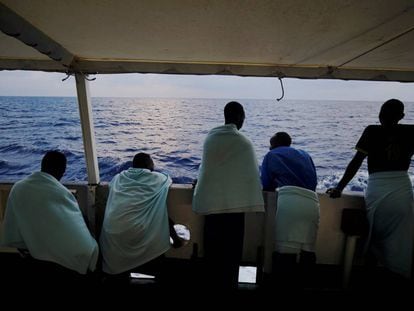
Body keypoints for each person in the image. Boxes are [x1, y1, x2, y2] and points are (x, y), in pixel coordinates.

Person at [327, 99, 414, 279]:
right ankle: (397, 275)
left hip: (378, 189)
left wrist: (339, 188)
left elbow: (356, 161)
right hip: (402, 189)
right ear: (402, 116)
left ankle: (370, 279)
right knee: (401, 238)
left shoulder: (372, 131)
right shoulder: (411, 131)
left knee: (374, 234)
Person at [192, 101, 264, 289]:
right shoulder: (244, 142)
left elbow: (206, 171)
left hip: (212, 207)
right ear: (240, 117)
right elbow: (251, 176)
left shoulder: (211, 139)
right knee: (231, 255)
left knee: (212, 253)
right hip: (236, 209)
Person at [1, 151, 99, 283]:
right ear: (63, 170)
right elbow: (73, 224)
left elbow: (14, 222)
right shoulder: (62, 192)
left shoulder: (18, 187)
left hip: (30, 252)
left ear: (42, 166)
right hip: (61, 261)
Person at [99, 152, 182, 284]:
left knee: (156, 212)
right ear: (149, 165)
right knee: (158, 214)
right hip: (138, 232)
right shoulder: (158, 179)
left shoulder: (118, 178)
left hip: (112, 234)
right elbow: (168, 179)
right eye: (152, 163)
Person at [261, 132, 319, 288]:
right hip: (312, 203)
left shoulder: (271, 155)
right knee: (308, 251)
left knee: (285, 255)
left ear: (273, 145)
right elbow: (314, 182)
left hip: (289, 202)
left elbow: (265, 184)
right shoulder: (305, 154)